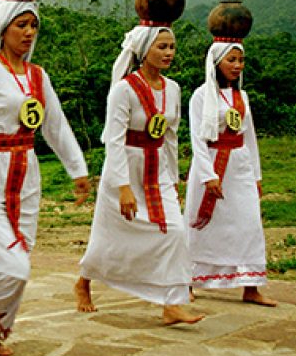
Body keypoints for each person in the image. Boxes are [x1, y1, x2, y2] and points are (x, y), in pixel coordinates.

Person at [0, 0, 90, 356]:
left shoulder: (38, 77)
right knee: (13, 263)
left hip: (26, 173)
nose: (28, 33)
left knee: (19, 252)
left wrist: (77, 169)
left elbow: (55, 126)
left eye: (33, 26)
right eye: (21, 25)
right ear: (1, 28)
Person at [75, 20, 204, 325]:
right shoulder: (124, 90)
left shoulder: (173, 89)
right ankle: (84, 281)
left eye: (172, 47)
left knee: (174, 230)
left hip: (156, 168)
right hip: (125, 169)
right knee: (109, 236)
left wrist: (173, 179)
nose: (169, 52)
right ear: (145, 50)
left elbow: (170, 136)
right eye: (162, 46)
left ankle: (172, 303)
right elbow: (114, 140)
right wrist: (122, 187)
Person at [185, 40, 276, 306]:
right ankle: (188, 280)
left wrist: (256, 176)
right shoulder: (201, 95)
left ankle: (251, 286)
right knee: (201, 225)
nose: (237, 66)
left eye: (240, 61)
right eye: (231, 60)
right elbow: (197, 139)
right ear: (216, 63)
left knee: (248, 223)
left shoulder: (242, 97)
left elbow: (250, 138)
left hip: (240, 166)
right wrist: (208, 175)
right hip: (211, 163)